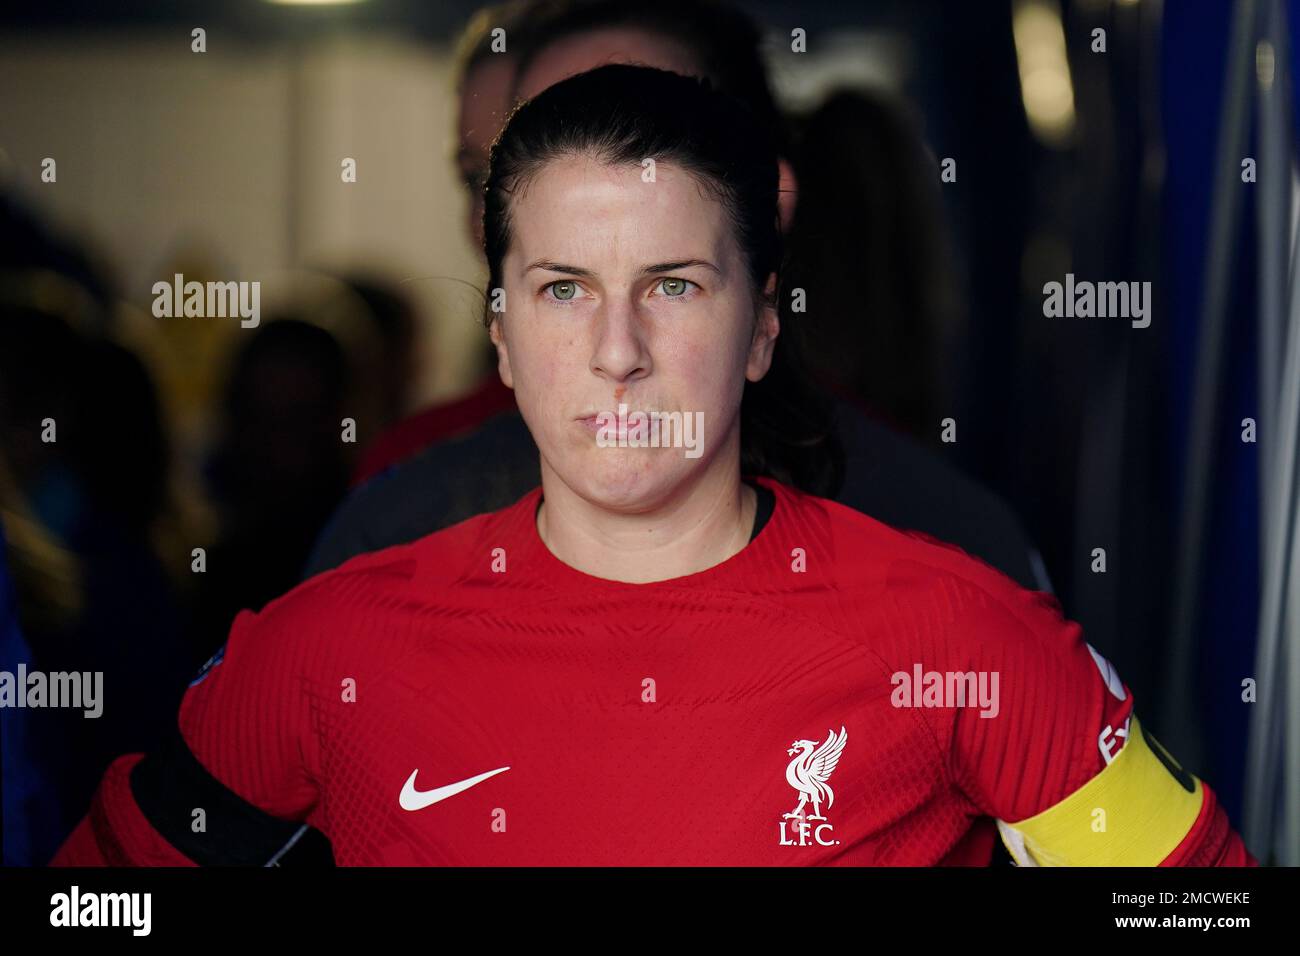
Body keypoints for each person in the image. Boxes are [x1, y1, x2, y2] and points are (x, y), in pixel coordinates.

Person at [53, 67, 1252, 866]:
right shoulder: (328, 648)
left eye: (673, 286)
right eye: (563, 290)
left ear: (763, 327)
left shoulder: (961, 639)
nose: (616, 352)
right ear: (501, 337)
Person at [306, 0, 1048, 596]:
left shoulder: (943, 548)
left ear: (768, 204)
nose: (596, 189)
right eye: (538, 149)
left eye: (650, 141)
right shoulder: (401, 525)